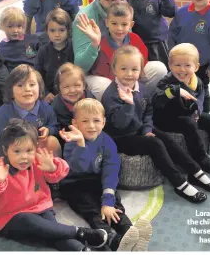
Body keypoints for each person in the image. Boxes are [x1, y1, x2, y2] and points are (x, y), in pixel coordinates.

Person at [102, 45, 210, 203]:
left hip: (139, 130)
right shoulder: (110, 95)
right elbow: (120, 124)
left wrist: (146, 129)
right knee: (155, 144)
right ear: (114, 70)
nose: (129, 74)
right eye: (124, 69)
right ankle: (179, 182)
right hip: (121, 137)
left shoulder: (142, 89)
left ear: (140, 71)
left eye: (134, 69)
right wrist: (129, 105)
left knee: (167, 139)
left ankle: (195, 171)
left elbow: (148, 111)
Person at [0, 118, 107, 251]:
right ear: (5, 150)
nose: (24, 157)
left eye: (29, 150)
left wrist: (53, 168)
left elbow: (61, 172)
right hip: (10, 217)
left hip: (40, 206)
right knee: (29, 220)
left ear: (36, 147)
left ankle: (82, 250)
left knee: (52, 231)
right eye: (17, 151)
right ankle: (78, 232)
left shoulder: (37, 160)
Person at [59, 98, 153, 251]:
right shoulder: (72, 141)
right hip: (74, 183)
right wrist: (81, 145)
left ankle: (129, 232)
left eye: (96, 120)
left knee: (113, 204)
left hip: (96, 180)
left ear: (103, 122)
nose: (91, 126)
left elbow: (111, 168)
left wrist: (107, 201)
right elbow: (79, 168)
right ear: (75, 123)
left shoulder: (107, 141)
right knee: (91, 208)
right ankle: (112, 240)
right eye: (85, 121)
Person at [72, 0, 166, 101]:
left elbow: (133, 48)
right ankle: (111, 118)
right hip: (96, 74)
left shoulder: (124, 10)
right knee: (106, 87)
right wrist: (94, 44)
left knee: (159, 69)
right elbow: (80, 67)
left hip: (124, 69)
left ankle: (141, 106)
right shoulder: (85, 17)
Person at [152, 43, 210, 175]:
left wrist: (198, 112)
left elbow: (201, 98)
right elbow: (157, 100)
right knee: (188, 124)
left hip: (188, 114)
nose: (182, 70)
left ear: (196, 67)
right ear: (170, 65)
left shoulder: (197, 81)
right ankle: (201, 157)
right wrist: (174, 91)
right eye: (177, 65)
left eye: (187, 65)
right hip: (167, 118)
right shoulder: (166, 81)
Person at [0, 64, 61, 164]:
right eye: (20, 85)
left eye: (32, 84)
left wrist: (49, 130)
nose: (27, 89)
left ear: (40, 87)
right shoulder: (2, 114)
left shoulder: (45, 108)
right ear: (11, 91)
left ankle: (54, 173)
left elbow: (55, 126)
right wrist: (1, 162)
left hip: (37, 153)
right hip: (15, 159)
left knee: (52, 141)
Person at [128, 0, 176, 67]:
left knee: (163, 68)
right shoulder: (130, 0)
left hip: (159, 42)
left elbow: (171, 12)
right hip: (140, 43)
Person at [35, 8, 75, 103]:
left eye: (61, 30)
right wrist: (45, 92)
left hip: (72, 92)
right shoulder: (43, 51)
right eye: (52, 31)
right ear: (47, 31)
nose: (57, 34)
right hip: (50, 96)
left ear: (68, 30)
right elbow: (37, 75)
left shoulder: (74, 48)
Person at [52, 62, 95, 132]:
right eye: (66, 87)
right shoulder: (57, 107)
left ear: (84, 85)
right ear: (59, 89)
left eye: (77, 85)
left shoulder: (90, 98)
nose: (72, 90)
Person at [0, 7, 40, 73]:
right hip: (17, 77)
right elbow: (1, 65)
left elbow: (42, 55)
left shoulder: (32, 39)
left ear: (24, 26)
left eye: (19, 26)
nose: (15, 30)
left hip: (35, 73)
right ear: (1, 26)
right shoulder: (2, 46)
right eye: (10, 26)